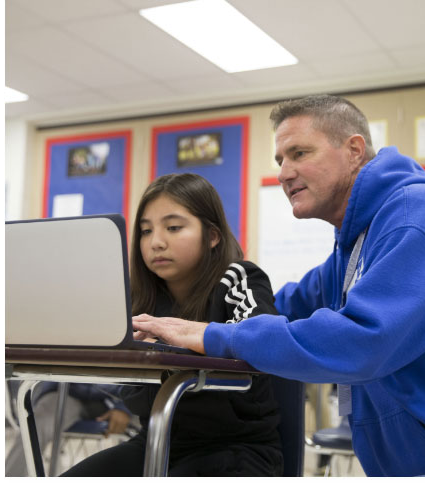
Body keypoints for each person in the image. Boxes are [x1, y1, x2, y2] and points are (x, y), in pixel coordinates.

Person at [133, 95, 425, 477]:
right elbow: (281, 307)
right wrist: (189, 320)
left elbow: (360, 341)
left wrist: (214, 334)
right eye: (280, 159)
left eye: (299, 153)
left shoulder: (417, 217)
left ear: (354, 150)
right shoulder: (355, 243)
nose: (284, 172)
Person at [62, 173, 283, 476]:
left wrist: (167, 352)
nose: (156, 242)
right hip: (156, 440)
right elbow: (133, 395)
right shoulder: (140, 297)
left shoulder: (238, 277)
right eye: (145, 231)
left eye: (174, 227)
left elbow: (261, 340)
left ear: (213, 235)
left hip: (235, 448)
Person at [6, 382, 134, 476]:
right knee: (34, 424)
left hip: (123, 395)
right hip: (66, 390)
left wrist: (124, 406)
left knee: (151, 424)